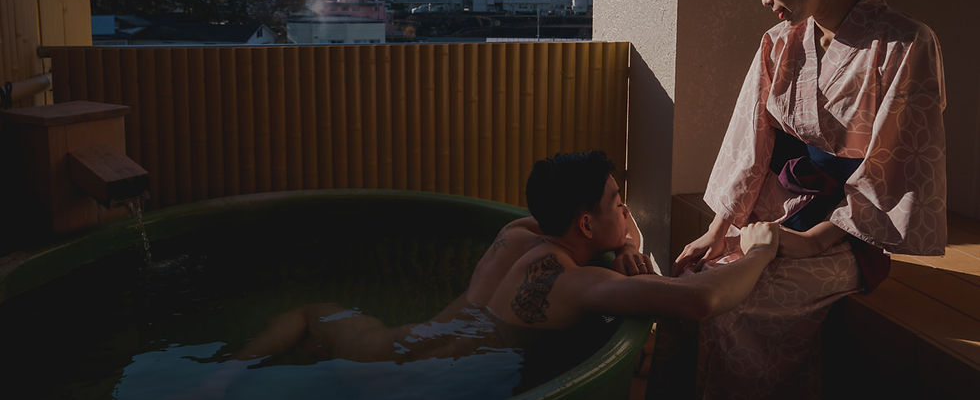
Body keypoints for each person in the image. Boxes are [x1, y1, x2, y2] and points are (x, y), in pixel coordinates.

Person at [203, 151, 779, 398]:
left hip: (386, 354)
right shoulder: (572, 282)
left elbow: (553, 219)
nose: (627, 212)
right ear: (584, 222)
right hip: (434, 392)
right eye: (618, 202)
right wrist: (756, 250)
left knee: (312, 314)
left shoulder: (515, 236)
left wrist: (620, 238)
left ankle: (215, 382)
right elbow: (700, 301)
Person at [672, 0, 947, 399]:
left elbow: (898, 164)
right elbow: (750, 136)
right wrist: (720, 226)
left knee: (742, 302)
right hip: (774, 206)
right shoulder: (779, 42)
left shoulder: (906, 42)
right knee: (702, 280)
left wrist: (814, 240)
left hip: (849, 229)